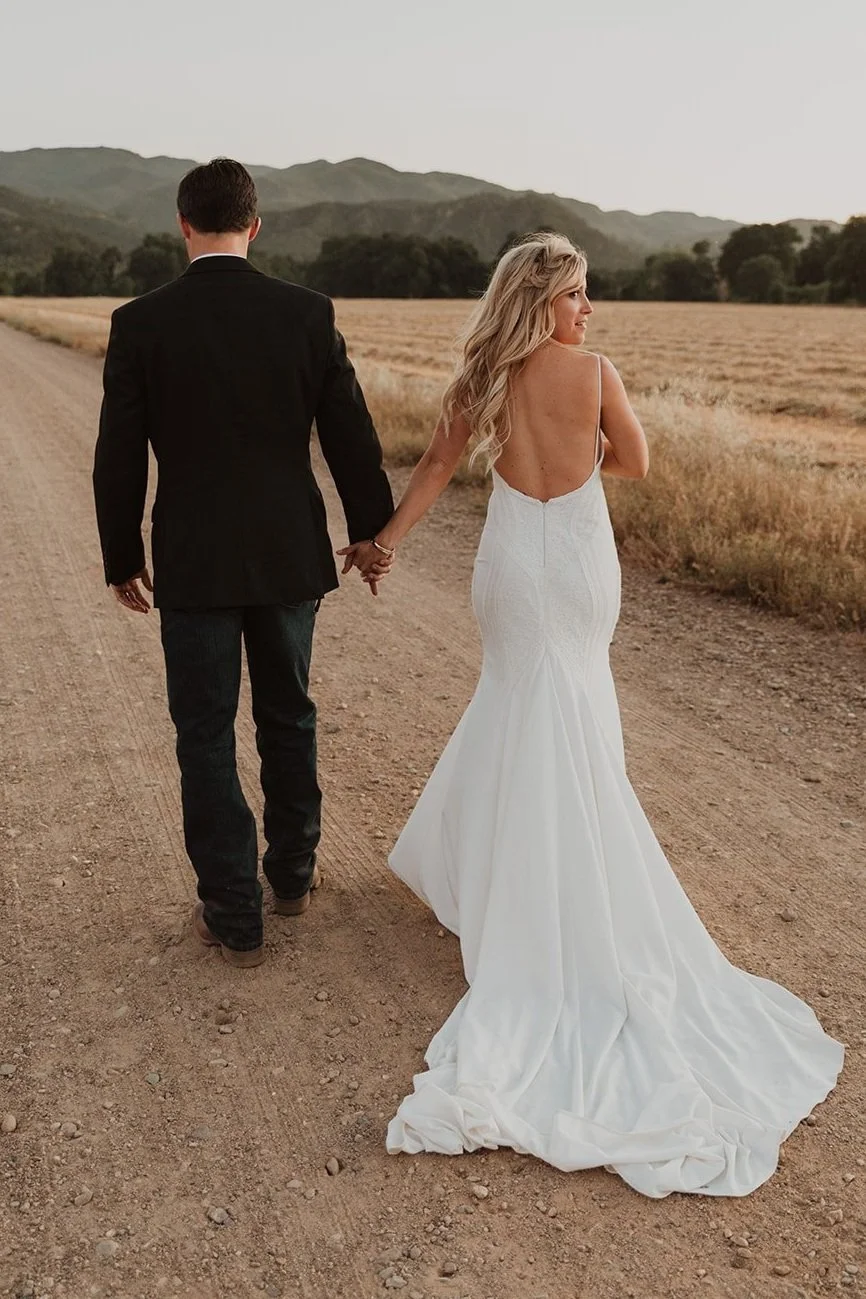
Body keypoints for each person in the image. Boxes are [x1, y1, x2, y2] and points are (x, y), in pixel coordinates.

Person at [339, 232, 845, 1198]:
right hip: (574, 559)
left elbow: (439, 471)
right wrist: (584, 460)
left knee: (515, 705)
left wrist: (383, 545)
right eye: (576, 295)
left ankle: (502, 885)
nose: (588, 311)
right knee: (572, 710)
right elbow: (639, 462)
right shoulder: (596, 371)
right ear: (545, 298)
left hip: (507, 568)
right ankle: (568, 883)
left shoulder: (482, 374)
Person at [93, 158, 394, 968]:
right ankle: (291, 877)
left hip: (193, 559)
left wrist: (121, 553)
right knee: (289, 711)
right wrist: (373, 531)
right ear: (255, 226)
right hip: (288, 551)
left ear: (183, 224)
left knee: (204, 733)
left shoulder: (140, 322)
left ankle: (232, 912)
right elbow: (351, 436)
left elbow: (118, 456)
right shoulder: (306, 313)